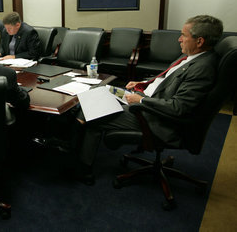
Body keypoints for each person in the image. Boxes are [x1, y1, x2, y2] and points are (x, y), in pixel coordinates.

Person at [73, 15, 223, 185]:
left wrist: (141, 101)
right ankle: (74, 132)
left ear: (200, 41)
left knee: (94, 113)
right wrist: (143, 84)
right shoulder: (193, 58)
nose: (179, 39)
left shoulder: (202, 68)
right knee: (97, 93)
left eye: (184, 35)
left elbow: (178, 107)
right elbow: (167, 79)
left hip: (155, 117)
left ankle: (81, 167)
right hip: (149, 101)